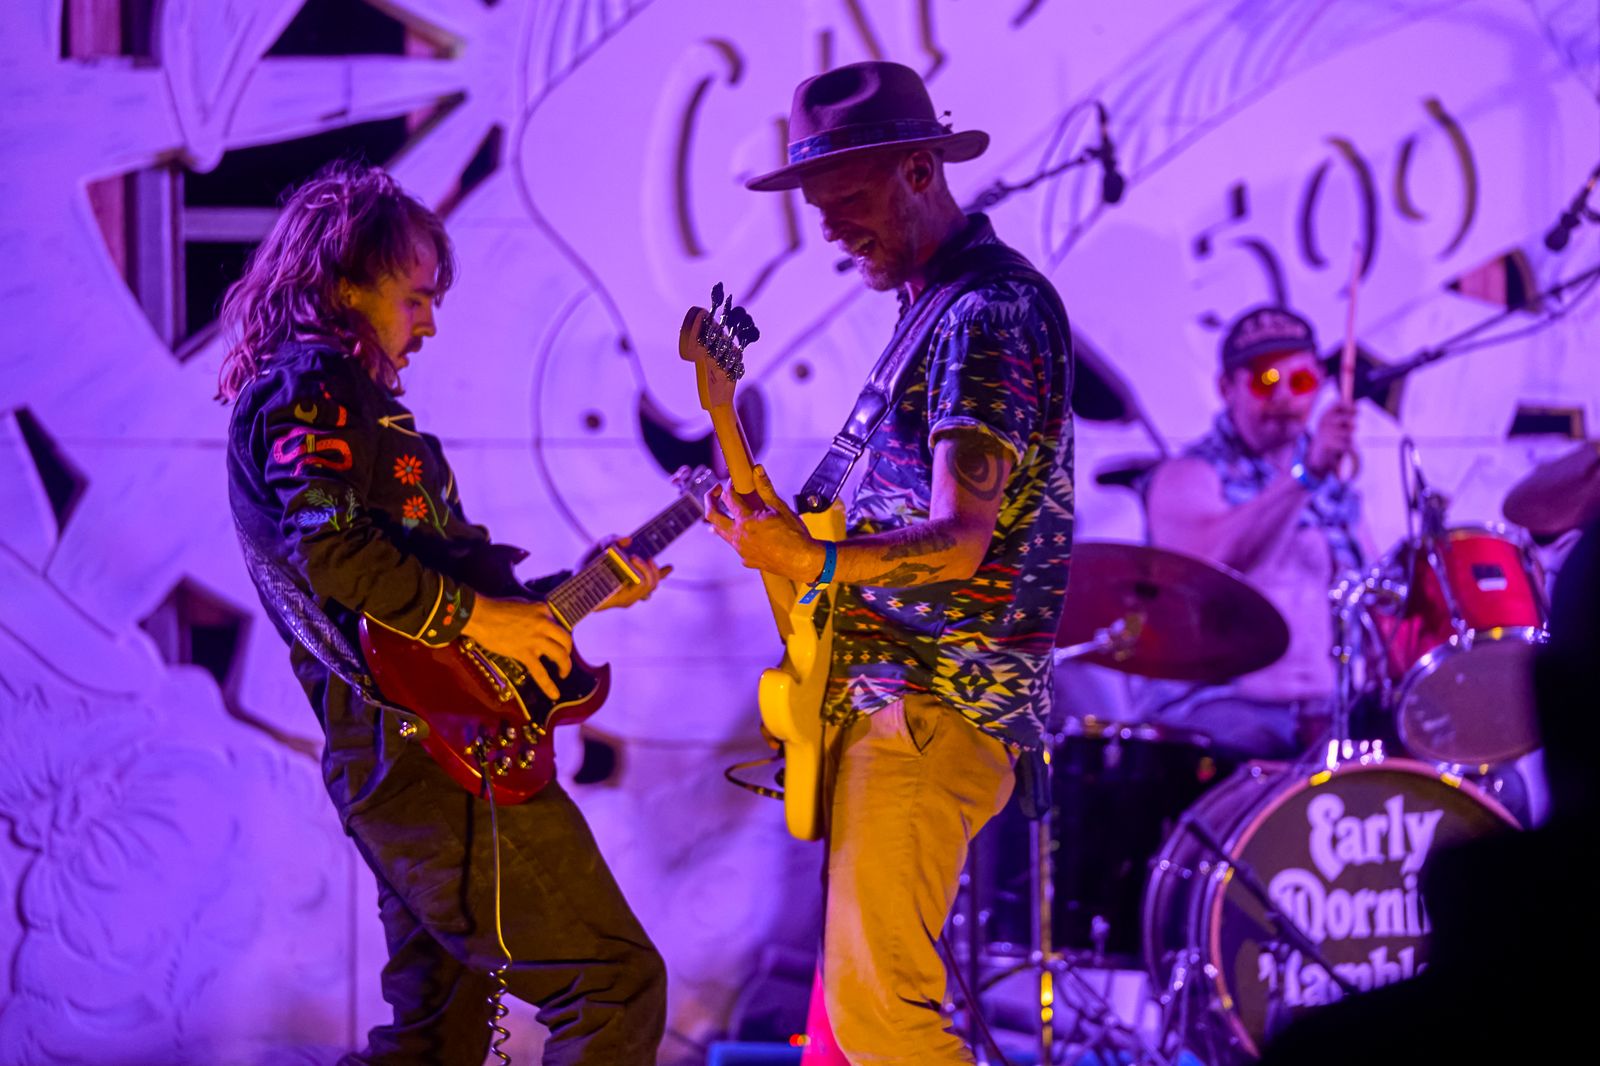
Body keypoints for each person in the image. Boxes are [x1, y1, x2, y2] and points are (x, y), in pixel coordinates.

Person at [220, 163, 666, 1065]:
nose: (429, 322)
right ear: (343, 285)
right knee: (612, 984)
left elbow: (435, 605)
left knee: (437, 1040)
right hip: (424, 755)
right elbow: (334, 552)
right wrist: (486, 619)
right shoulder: (310, 390)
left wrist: (575, 591)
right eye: (415, 297)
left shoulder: (359, 409)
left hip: (423, 747)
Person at [709, 61, 1075, 1064]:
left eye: (849, 199)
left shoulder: (985, 316)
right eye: (818, 207)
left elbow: (960, 541)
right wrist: (786, 540)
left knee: (883, 1021)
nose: (831, 229)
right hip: (899, 700)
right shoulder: (937, 309)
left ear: (920, 170)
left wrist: (811, 557)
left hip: (931, 701)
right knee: (843, 1027)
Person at [1139, 306, 1371, 760]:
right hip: (1221, 710)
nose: (1283, 396)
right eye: (1265, 382)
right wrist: (1305, 475)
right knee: (1251, 747)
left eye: (1299, 381)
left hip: (1328, 712)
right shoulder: (1189, 475)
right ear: (1226, 388)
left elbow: (1374, 601)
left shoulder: (1337, 489)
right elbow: (1204, 566)